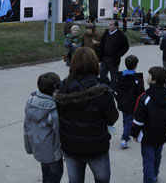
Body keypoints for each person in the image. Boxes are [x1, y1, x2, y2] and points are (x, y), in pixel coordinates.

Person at [55, 47, 119, 183]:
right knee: (102, 179)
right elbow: (112, 118)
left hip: (70, 145)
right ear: (94, 63)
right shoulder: (102, 91)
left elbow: (59, 113)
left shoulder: (62, 88)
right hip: (95, 147)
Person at [131, 66, 166, 183]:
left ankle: (149, 179)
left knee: (148, 160)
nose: (147, 77)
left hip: (147, 136)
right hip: (162, 134)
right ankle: (155, 175)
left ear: (154, 80)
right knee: (157, 156)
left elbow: (138, 119)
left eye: (149, 75)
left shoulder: (144, 97)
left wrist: (134, 133)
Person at [24, 72, 63, 183]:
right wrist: (65, 151)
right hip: (53, 153)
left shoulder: (30, 104)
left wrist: (29, 147)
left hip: (38, 149)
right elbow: (59, 132)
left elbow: (26, 127)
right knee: (55, 176)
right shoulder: (53, 110)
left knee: (46, 174)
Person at [115, 55, 144, 149]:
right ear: (135, 65)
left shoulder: (119, 77)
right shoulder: (137, 79)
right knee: (129, 120)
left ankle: (126, 133)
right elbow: (141, 92)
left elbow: (115, 88)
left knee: (125, 118)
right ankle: (124, 138)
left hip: (122, 101)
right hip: (132, 103)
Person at [98, 20, 129, 88]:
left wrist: (118, 55)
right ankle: (105, 87)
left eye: (111, 25)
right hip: (104, 58)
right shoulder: (106, 32)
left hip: (114, 59)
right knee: (102, 74)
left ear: (116, 26)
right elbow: (102, 44)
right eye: (109, 24)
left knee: (114, 76)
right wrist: (100, 55)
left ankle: (113, 90)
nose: (109, 26)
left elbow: (126, 47)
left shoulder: (121, 35)